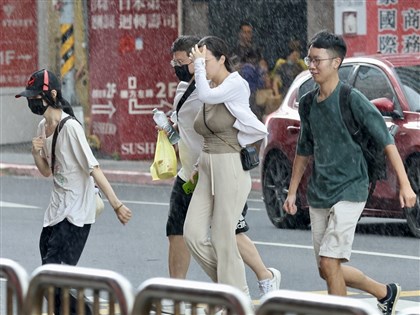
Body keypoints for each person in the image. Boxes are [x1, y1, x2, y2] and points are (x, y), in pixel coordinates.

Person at [282, 31, 417, 315]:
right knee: (326, 268)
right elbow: (304, 149)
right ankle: (385, 292)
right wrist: (293, 191)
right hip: (320, 192)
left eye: (318, 60)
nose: (312, 65)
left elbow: (386, 141)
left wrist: (406, 186)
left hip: (351, 188)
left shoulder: (353, 99)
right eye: (310, 59)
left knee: (330, 263)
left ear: (336, 62)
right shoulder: (307, 103)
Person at [166, 36, 280, 307]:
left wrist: (200, 69)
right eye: (198, 62)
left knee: (223, 237)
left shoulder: (234, 84)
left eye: (205, 62)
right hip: (204, 166)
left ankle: (236, 301)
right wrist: (194, 165)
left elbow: (206, 94)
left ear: (221, 59)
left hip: (229, 165)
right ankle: (231, 290)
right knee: (192, 234)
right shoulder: (208, 87)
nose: (199, 67)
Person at [15, 69, 132, 314]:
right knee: (51, 282)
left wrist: (117, 204)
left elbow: (94, 168)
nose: (31, 102)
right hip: (55, 214)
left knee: (53, 279)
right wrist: (35, 152)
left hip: (75, 215)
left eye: (35, 97)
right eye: (29, 98)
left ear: (52, 94)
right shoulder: (42, 126)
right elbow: (47, 171)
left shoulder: (70, 128)